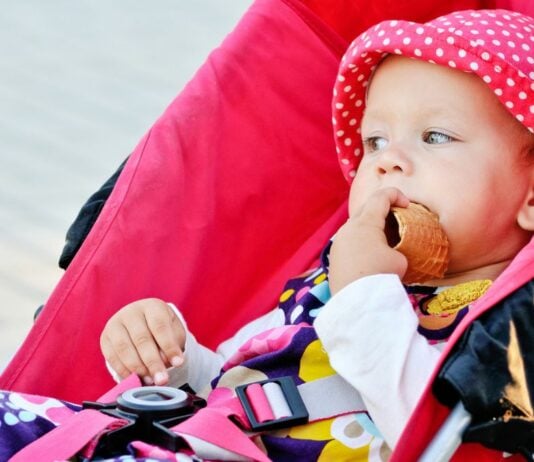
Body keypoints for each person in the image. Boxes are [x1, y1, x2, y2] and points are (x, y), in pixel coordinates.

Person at [2, 8, 534, 461]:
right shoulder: (335, 275)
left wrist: (363, 292)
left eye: (435, 136)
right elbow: (239, 381)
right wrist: (175, 356)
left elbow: (431, 437)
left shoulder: (506, 336)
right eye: (374, 141)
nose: (388, 161)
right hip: (177, 437)